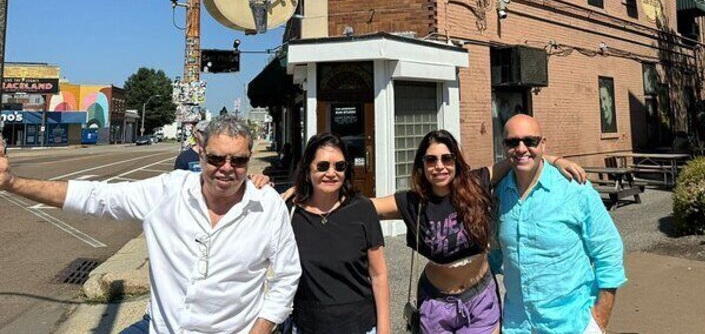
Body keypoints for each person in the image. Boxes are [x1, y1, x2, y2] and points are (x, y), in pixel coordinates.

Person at [0, 114, 301, 334]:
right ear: (201, 153)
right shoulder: (168, 191)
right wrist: (12, 183)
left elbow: (287, 276)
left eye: (237, 161)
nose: (226, 168)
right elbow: (96, 197)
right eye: (216, 158)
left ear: (248, 159)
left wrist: (260, 330)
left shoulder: (267, 205)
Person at [370, 129, 587, 334]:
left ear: (456, 161)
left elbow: (520, 158)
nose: (440, 166)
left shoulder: (476, 184)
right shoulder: (412, 202)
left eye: (447, 158)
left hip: (481, 300)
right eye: (431, 160)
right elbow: (368, 208)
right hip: (435, 304)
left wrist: (557, 161)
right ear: (422, 165)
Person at [490, 114, 625, 334]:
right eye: (512, 142)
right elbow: (495, 255)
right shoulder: (498, 195)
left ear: (543, 144)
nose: (521, 148)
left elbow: (608, 249)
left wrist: (599, 318)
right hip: (517, 325)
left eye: (530, 141)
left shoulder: (574, 188)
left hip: (571, 323)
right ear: (504, 147)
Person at [285, 133, 389, 334]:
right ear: (308, 171)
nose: (331, 173)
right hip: (307, 325)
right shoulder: (290, 212)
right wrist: (257, 181)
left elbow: (379, 275)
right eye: (322, 166)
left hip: (359, 325)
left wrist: (384, 330)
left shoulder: (363, 209)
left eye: (339, 166)